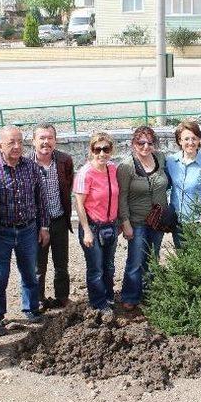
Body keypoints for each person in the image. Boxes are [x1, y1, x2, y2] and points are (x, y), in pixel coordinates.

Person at [0, 126, 50, 326]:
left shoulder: (31, 167)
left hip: (28, 230)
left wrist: (44, 227)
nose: (16, 146)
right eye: (11, 142)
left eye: (20, 142)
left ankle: (31, 308)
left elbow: (41, 199)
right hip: (2, 232)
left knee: (30, 271)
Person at [117, 126, 168, 310]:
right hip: (136, 221)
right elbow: (121, 196)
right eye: (141, 142)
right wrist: (125, 222)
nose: (146, 146)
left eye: (149, 142)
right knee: (136, 259)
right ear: (133, 144)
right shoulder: (126, 166)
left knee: (152, 257)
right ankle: (130, 295)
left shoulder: (160, 159)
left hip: (158, 220)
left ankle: (148, 293)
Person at [74, 132, 120, 313]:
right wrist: (86, 230)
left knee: (109, 265)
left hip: (111, 225)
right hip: (92, 226)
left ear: (111, 150)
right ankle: (98, 302)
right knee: (96, 268)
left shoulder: (112, 169)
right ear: (91, 150)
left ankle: (108, 296)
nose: (102, 153)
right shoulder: (85, 173)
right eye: (97, 149)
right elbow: (79, 204)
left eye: (106, 149)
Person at [32, 123, 74, 310]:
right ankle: (38, 300)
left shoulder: (64, 161)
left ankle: (62, 297)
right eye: (42, 138)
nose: (46, 142)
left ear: (55, 141)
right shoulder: (26, 163)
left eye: (49, 138)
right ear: (33, 141)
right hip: (36, 224)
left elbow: (68, 186)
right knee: (38, 266)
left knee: (61, 264)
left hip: (59, 220)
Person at [166, 121, 201, 248]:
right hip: (177, 221)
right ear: (180, 141)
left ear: (199, 140)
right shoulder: (171, 161)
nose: (190, 142)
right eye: (186, 139)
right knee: (182, 260)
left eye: (194, 138)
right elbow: (164, 185)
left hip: (199, 222)